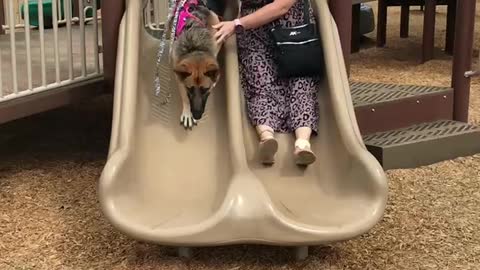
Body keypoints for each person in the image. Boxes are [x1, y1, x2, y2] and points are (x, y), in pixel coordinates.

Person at [212, 0, 320, 166]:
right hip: (290, 29)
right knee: (298, 81)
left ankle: (267, 137)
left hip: (255, 27)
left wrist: (235, 24)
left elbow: (281, 6)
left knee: (261, 81)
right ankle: (301, 143)